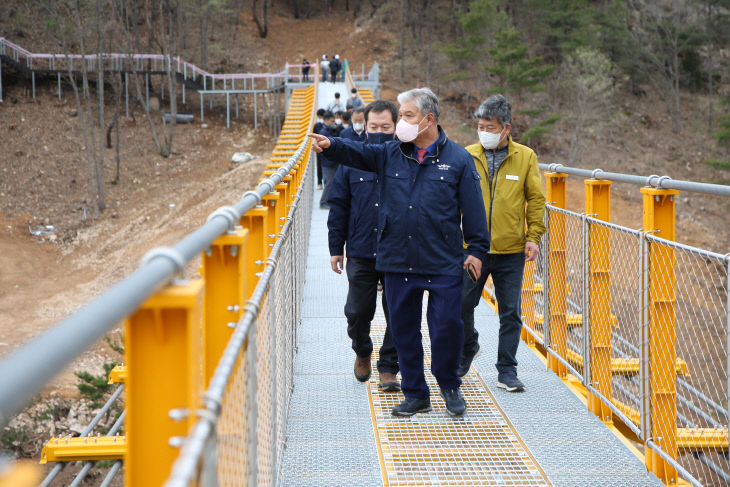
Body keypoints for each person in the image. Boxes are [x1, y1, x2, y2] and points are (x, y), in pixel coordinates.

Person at [309, 88, 490, 417]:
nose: (401, 123)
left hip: (443, 260)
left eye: (407, 116)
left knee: (447, 327)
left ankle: (449, 385)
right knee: (404, 329)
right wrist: (332, 145)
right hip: (397, 258)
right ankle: (416, 393)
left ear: (428, 119)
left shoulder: (459, 160)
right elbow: (356, 154)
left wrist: (477, 250)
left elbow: (474, 210)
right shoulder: (390, 153)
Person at [458, 94, 546, 392]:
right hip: (474, 250)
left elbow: (535, 198)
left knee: (510, 311)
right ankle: (469, 345)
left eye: (490, 126)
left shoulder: (525, 157)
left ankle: (507, 370)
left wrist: (533, 236)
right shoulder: (466, 155)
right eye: (480, 125)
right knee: (461, 304)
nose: (483, 131)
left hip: (511, 251)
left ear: (505, 128)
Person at [327, 103, 400, 391]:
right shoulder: (351, 161)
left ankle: (389, 367)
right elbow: (339, 206)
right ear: (364, 127)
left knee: (399, 312)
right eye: (374, 127)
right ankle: (362, 349)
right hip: (361, 247)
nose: (379, 133)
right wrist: (336, 247)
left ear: (396, 127)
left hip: (398, 250)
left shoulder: (405, 159)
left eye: (386, 127)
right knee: (357, 311)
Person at [318, 111, 338, 209]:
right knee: (329, 182)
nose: (333, 123)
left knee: (331, 181)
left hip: (331, 161)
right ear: (326, 120)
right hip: (327, 162)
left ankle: (327, 200)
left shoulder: (328, 130)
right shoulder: (323, 132)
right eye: (331, 121)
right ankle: (323, 201)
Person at [314, 108, 326, 189]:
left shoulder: (317, 125)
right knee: (320, 165)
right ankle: (320, 182)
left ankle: (320, 182)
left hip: (320, 148)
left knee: (320, 165)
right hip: (322, 147)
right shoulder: (318, 125)